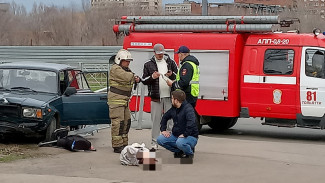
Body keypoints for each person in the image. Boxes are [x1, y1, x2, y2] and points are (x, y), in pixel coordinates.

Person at [141, 43, 178, 149]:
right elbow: (144, 80)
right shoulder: (148, 64)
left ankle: (170, 141)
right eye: (158, 54)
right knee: (156, 121)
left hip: (169, 96)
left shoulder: (170, 62)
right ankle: (154, 143)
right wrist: (152, 76)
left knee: (170, 120)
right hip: (156, 97)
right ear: (154, 53)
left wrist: (172, 75)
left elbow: (177, 75)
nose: (160, 55)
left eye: (162, 53)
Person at [108, 49, 140, 153]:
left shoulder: (127, 69)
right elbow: (126, 77)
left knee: (127, 122)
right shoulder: (115, 69)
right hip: (116, 100)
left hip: (124, 100)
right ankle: (117, 145)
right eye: (126, 61)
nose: (128, 63)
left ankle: (124, 143)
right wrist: (134, 77)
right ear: (119, 60)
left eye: (129, 61)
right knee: (118, 122)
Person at [157, 90, 199, 159]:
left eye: (172, 98)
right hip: (176, 135)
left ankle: (189, 153)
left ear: (176, 100)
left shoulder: (188, 109)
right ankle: (179, 151)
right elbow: (165, 117)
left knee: (180, 142)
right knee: (160, 139)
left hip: (190, 136)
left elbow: (191, 123)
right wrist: (163, 129)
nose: (171, 100)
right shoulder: (174, 108)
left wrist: (185, 134)